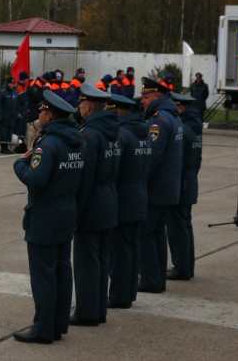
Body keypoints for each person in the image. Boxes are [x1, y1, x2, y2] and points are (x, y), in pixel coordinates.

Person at [12, 90, 87, 344]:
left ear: (50, 115)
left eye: (42, 112)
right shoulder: (77, 141)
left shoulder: (50, 144)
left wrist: (19, 165)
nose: (39, 115)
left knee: (44, 274)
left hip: (45, 215)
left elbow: (36, 180)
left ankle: (43, 328)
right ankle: (57, 324)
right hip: (67, 212)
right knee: (62, 271)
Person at [71, 84, 119, 327]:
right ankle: (98, 309)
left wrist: (76, 216)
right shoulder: (111, 130)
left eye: (80, 104)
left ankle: (87, 312)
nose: (78, 107)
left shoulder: (89, 134)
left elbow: (85, 178)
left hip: (92, 205)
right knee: (100, 260)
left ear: (88, 107)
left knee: (86, 263)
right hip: (109, 200)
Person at [138, 77, 182, 294]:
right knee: (156, 233)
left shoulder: (159, 121)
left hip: (156, 189)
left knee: (146, 233)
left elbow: (151, 159)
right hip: (168, 188)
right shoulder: (172, 117)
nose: (143, 101)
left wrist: (140, 183)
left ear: (158, 96)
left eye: (146, 97)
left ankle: (150, 280)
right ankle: (156, 279)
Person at [106, 93, 149, 309]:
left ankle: (119, 296)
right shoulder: (142, 132)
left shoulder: (121, 134)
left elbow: (113, 168)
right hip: (140, 195)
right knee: (132, 247)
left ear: (118, 111)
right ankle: (129, 292)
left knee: (120, 250)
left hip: (123, 197)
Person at [166, 92, 202, 279]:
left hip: (181, 182)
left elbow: (175, 161)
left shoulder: (183, 130)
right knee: (184, 226)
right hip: (190, 180)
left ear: (180, 108)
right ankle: (186, 266)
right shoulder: (193, 128)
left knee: (177, 228)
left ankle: (181, 268)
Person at [0, 77, 18, 154]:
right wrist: (0, 114)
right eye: (10, 84)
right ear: (7, 84)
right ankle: (3, 148)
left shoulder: (15, 93)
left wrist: (16, 113)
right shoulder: (3, 93)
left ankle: (7, 148)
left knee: (9, 132)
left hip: (12, 116)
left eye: (13, 84)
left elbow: (16, 105)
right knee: (3, 132)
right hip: (4, 116)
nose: (12, 85)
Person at [15, 71, 29, 144]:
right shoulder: (18, 87)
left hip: (24, 110)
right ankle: (18, 144)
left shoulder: (24, 87)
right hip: (20, 110)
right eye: (26, 78)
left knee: (24, 128)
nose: (27, 80)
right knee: (19, 129)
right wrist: (17, 112)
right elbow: (16, 102)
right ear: (23, 78)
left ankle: (22, 144)